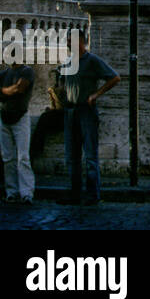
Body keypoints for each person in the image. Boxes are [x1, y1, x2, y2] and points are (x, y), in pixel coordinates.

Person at [56, 40, 120, 205]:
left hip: (86, 110)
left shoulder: (92, 60)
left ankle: (92, 194)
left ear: (82, 43)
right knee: (72, 155)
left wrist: (95, 95)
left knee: (90, 154)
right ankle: (75, 193)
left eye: (73, 42)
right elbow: (61, 83)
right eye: (68, 42)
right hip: (70, 110)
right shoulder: (68, 62)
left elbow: (114, 77)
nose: (70, 45)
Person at [0, 58, 35, 203]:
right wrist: (9, 91)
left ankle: (27, 193)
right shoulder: (3, 74)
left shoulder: (27, 71)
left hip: (20, 116)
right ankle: (12, 191)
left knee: (23, 157)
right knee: (8, 158)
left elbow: (19, 89)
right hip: (4, 117)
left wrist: (1, 90)